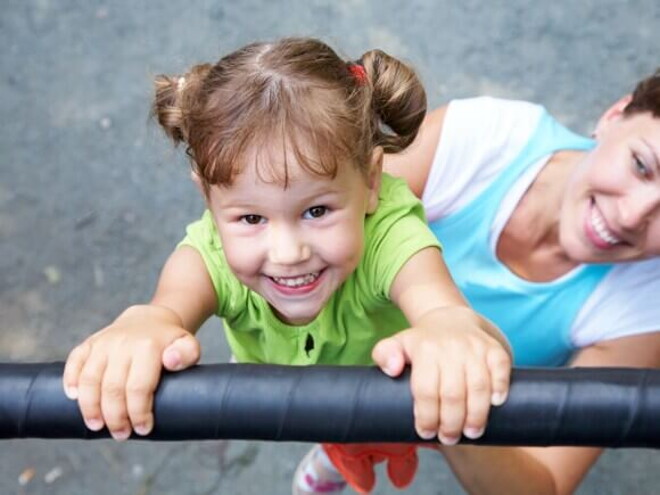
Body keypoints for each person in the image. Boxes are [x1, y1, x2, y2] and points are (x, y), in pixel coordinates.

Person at [60, 37, 512, 494]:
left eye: (316, 211)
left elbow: (436, 304)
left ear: (372, 182)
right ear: (210, 202)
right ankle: (332, 458)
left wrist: (448, 327)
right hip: (305, 389)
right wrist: (144, 325)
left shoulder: (390, 233)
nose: (287, 252)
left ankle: (342, 455)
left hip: (394, 394)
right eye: (251, 218)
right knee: (337, 437)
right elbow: (166, 308)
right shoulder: (210, 252)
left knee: (442, 415)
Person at [380, 68, 660, 494]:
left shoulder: (645, 304)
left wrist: (451, 396)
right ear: (614, 116)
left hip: (438, 411)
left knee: (360, 433)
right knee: (330, 432)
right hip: (337, 341)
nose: (630, 216)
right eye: (642, 166)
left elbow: (543, 484)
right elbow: (327, 220)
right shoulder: (481, 139)